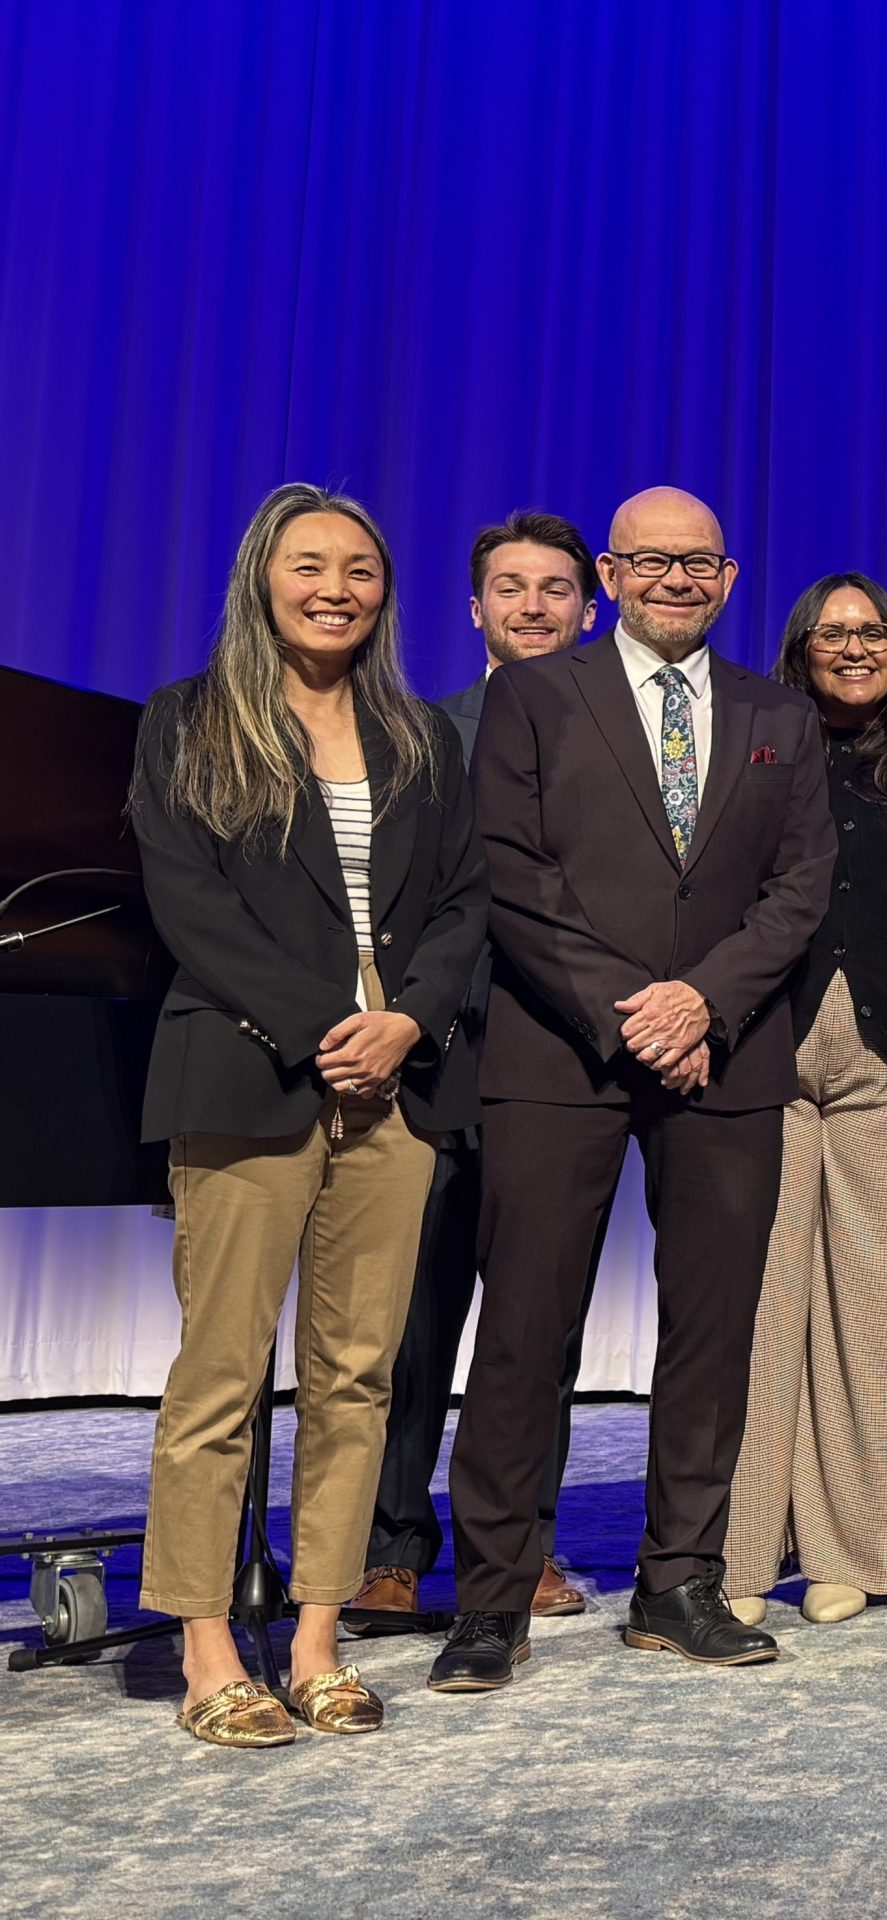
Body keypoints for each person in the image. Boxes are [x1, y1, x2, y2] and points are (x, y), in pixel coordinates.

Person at [431, 486, 834, 1690]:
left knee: (712, 1334)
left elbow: (801, 887)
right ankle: (491, 1601)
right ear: (608, 573)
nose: (675, 579)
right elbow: (513, 877)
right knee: (522, 1332)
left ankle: (679, 1584)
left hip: (728, 1054)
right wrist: (637, 1012)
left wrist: (703, 1002)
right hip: (560, 1056)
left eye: (698, 562)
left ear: (730, 576)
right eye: (651, 560)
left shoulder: (782, 714)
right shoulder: (533, 697)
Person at [127, 483, 486, 1744]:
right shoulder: (189, 722)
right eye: (310, 565)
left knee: (355, 1377)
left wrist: (404, 1021)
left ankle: (321, 1639)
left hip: (397, 1079)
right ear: (261, 578)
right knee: (220, 1376)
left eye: (362, 570)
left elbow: (466, 907)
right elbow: (191, 908)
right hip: (248, 1068)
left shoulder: (420, 737)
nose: (336, 588)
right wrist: (328, 1023)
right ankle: (208, 1648)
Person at [354, 511, 601, 1632]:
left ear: (588, 608)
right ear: (475, 609)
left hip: (560, 1064)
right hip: (433, 1062)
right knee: (408, 1322)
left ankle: (519, 1546)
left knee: (534, 1323)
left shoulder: (620, 740)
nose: (535, 607)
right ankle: (390, 1544)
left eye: (556, 589)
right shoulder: (412, 736)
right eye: (512, 588)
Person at [724, 573, 887, 1628]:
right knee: (758, 1308)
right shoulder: (754, 757)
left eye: (871, 629)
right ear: (799, 646)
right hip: (764, 1059)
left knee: (884, 1317)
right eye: (832, 631)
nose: (854, 646)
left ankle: (862, 1551)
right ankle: (741, 1555)